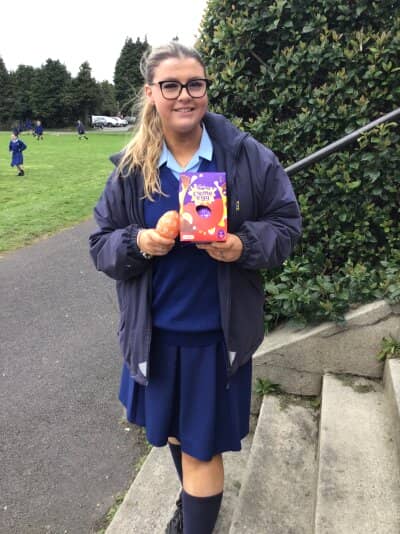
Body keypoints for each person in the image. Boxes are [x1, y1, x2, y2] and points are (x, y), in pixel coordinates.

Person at [89, 42, 301, 534]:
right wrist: (140, 241)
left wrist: (242, 245)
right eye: (171, 85)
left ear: (206, 89)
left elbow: (286, 226)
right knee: (175, 435)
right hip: (155, 335)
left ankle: (196, 522)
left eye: (195, 84)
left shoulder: (245, 157)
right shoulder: (132, 168)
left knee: (201, 448)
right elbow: (101, 245)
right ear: (150, 92)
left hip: (215, 337)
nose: (185, 95)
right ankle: (193, 504)